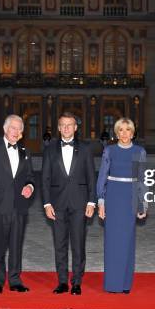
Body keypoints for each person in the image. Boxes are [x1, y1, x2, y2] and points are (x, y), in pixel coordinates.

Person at [0, 114, 35, 294]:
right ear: (5, 129)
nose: (16, 131)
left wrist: (30, 187)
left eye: (19, 129)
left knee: (16, 245)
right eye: (13, 127)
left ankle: (15, 280)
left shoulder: (25, 151)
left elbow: (30, 177)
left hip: (19, 207)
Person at [42, 112, 96, 296]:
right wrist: (47, 203)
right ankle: (63, 282)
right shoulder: (49, 149)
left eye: (69, 124)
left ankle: (77, 282)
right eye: (62, 125)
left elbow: (91, 177)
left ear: (76, 127)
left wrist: (91, 201)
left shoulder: (86, 149)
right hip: (57, 204)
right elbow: (45, 178)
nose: (66, 128)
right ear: (58, 128)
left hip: (80, 203)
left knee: (78, 244)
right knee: (60, 244)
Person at [96, 117, 147, 294]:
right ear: (116, 132)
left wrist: (142, 205)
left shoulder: (139, 151)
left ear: (133, 133)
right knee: (112, 241)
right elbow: (102, 177)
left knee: (127, 240)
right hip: (113, 196)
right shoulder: (109, 150)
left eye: (128, 130)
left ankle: (125, 284)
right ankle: (112, 284)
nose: (124, 133)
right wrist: (101, 202)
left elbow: (141, 180)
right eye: (121, 130)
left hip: (130, 197)